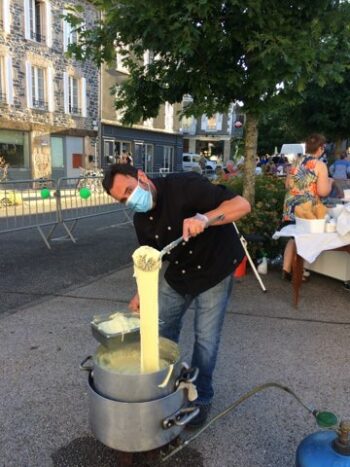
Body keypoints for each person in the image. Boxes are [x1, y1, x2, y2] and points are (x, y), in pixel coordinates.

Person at [102, 164, 251, 427]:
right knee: (160, 331)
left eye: (129, 189)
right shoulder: (141, 219)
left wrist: (205, 218)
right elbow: (150, 260)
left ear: (142, 177)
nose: (130, 199)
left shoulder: (185, 185)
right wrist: (140, 293)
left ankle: (201, 398)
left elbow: (242, 205)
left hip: (215, 267)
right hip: (179, 274)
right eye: (123, 199)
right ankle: (164, 388)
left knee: (205, 338)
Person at [281, 133, 333, 280]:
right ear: (321, 148)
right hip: (307, 207)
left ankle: (286, 269)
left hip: (291, 203)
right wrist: (330, 182)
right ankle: (300, 270)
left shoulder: (296, 161)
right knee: (305, 237)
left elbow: (287, 185)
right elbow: (323, 191)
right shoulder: (320, 165)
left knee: (294, 235)